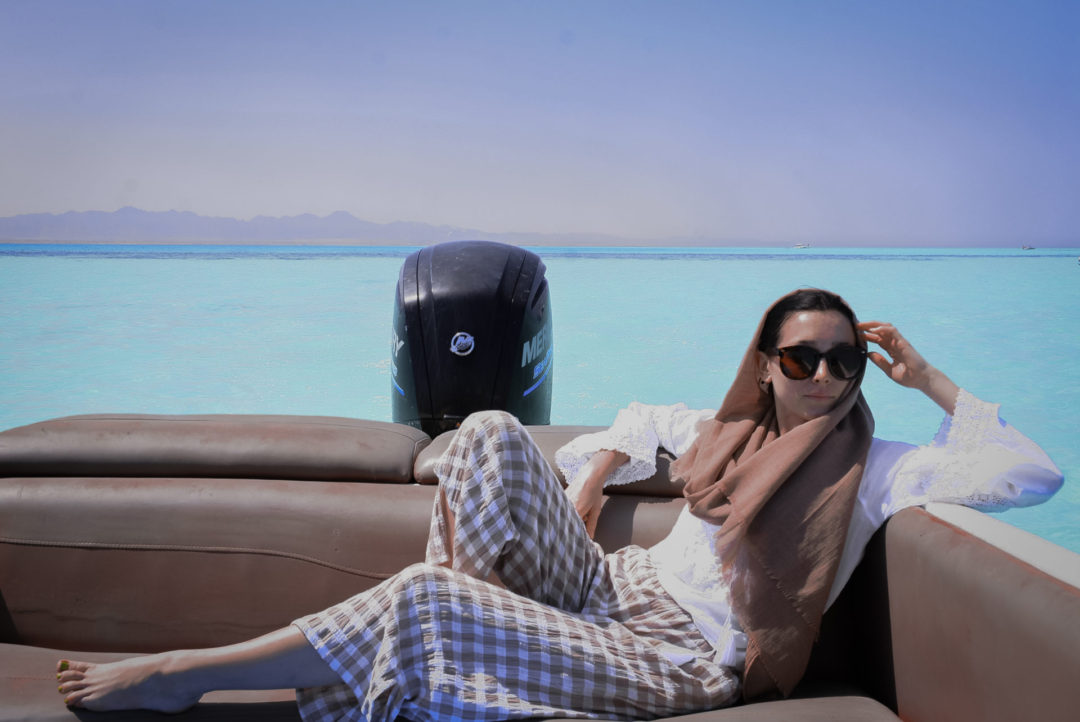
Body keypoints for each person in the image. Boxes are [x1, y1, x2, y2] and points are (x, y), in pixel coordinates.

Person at [56, 288, 1063, 720]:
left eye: (845, 362)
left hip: (679, 658)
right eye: (803, 358)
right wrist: (591, 479)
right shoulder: (725, 434)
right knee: (490, 430)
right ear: (766, 362)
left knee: (428, 596)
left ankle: (185, 676)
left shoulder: (879, 467)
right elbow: (637, 419)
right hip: (609, 590)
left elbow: (1031, 472)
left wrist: (928, 377)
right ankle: (452, 662)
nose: (826, 377)